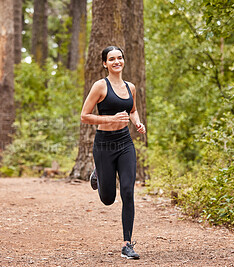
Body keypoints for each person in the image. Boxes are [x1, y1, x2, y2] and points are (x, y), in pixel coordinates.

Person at [80, 45, 146, 259]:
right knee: (108, 198)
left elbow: (133, 110)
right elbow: (84, 116)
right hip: (104, 145)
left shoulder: (131, 87)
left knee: (128, 191)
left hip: (125, 143)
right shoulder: (100, 86)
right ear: (104, 63)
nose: (116, 61)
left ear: (123, 61)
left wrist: (137, 123)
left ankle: (127, 244)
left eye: (119, 58)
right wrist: (109, 119)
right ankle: (99, 172)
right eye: (112, 59)